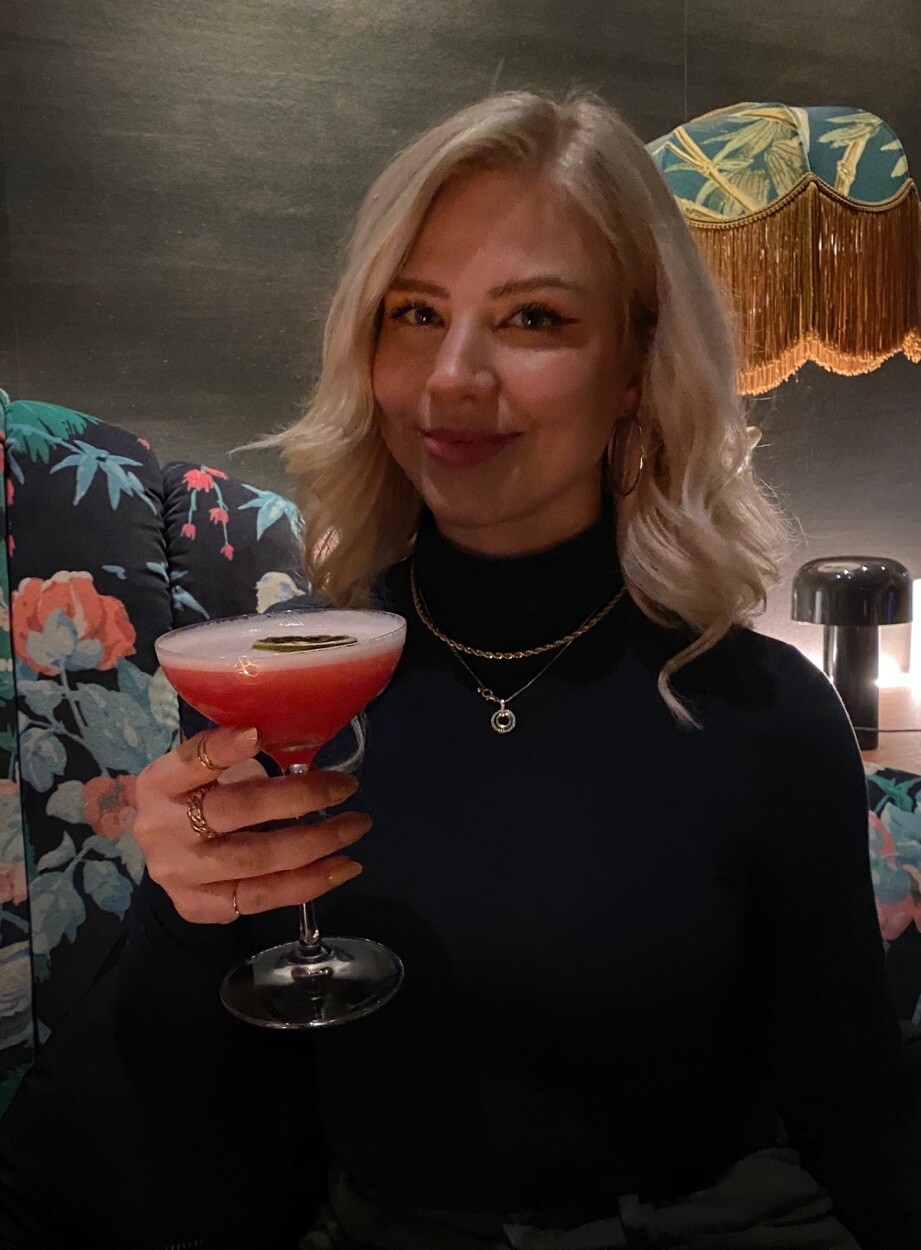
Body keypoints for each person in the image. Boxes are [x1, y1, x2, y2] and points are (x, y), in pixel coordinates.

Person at [1, 90, 919, 1250]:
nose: (452, 377)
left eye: (533, 317)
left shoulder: (767, 713)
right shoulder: (292, 689)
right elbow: (158, 1154)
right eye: (417, 313)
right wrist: (184, 910)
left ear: (636, 367)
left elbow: (859, 1109)